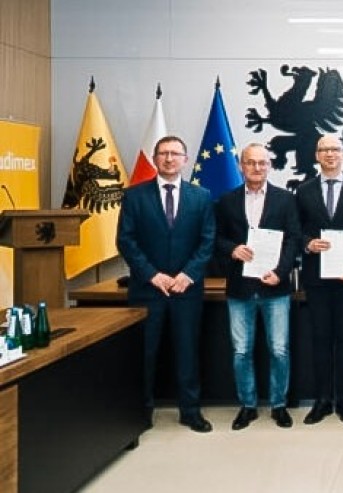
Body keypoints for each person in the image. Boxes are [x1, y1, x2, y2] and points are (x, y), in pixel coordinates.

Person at [117, 135, 216, 433]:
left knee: (188, 352)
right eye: (163, 153)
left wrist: (188, 275)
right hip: (148, 289)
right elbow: (126, 240)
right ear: (155, 159)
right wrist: (152, 274)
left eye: (175, 154)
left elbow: (207, 241)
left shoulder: (202, 196)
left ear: (185, 159)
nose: (169, 159)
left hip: (187, 290)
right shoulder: (134, 196)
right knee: (145, 354)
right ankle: (140, 412)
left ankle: (190, 411)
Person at [214, 142, 301, 430]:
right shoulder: (226, 201)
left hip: (274, 287)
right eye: (250, 162)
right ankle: (248, 405)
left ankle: (279, 404)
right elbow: (215, 237)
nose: (256, 167)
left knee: (279, 349)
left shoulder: (285, 199)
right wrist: (232, 249)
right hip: (240, 288)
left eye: (262, 162)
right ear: (241, 166)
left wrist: (281, 272)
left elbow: (293, 239)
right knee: (241, 351)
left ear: (270, 166)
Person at [297, 134, 343, 425]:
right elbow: (295, 230)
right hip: (316, 278)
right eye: (324, 149)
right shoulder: (303, 191)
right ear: (316, 155)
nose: (330, 154)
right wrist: (307, 243)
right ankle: (322, 400)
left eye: (335, 149)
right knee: (320, 339)